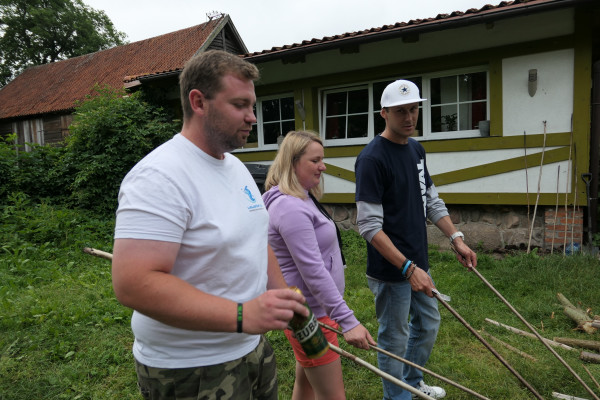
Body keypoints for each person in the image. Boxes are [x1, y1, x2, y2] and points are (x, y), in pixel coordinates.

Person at [111, 50, 309, 400]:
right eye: (240, 105)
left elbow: (254, 240)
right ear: (198, 102)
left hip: (252, 349)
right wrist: (242, 314)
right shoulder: (159, 176)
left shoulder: (234, 167)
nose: (253, 117)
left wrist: (286, 296)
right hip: (190, 369)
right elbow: (134, 284)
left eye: (252, 105)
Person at [354, 80, 478, 400]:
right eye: (400, 111)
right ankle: (397, 397)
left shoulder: (416, 149)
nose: (409, 117)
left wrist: (457, 238)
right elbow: (369, 226)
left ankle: (410, 380)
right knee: (394, 337)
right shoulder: (372, 159)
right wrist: (407, 268)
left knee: (428, 322)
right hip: (391, 268)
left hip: (417, 262)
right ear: (384, 113)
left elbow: (431, 201)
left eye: (413, 109)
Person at [262, 130, 376, 400]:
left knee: (306, 386)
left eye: (322, 160)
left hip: (313, 312)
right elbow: (312, 270)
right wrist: (347, 321)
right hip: (310, 318)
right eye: (315, 161)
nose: (322, 167)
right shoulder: (290, 208)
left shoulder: (302, 198)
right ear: (293, 162)